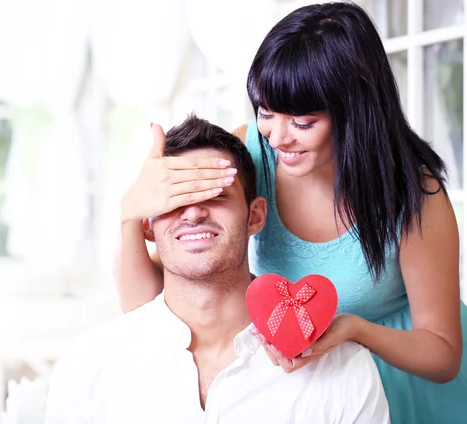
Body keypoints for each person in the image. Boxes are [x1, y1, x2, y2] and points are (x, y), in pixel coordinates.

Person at [116, 3, 466, 424]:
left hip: (406, 381)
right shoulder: (250, 155)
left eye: (302, 121)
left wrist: (353, 329)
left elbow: (443, 354)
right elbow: (148, 303)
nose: (278, 138)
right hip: (307, 384)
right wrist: (130, 217)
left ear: (354, 111)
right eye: (266, 112)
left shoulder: (412, 195)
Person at [47, 115, 390, 424]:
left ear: (255, 215)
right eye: (175, 198)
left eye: (214, 194)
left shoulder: (343, 370)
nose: (193, 213)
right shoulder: (89, 365)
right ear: (148, 225)